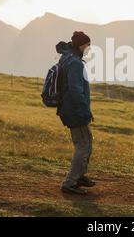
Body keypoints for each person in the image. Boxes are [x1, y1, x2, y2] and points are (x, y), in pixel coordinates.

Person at [56, 31, 95, 195]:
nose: (88, 49)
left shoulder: (67, 58)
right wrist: (85, 109)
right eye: (87, 46)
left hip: (70, 109)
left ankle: (79, 176)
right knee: (83, 145)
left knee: (86, 141)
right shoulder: (75, 63)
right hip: (75, 110)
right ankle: (70, 182)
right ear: (81, 45)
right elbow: (75, 90)